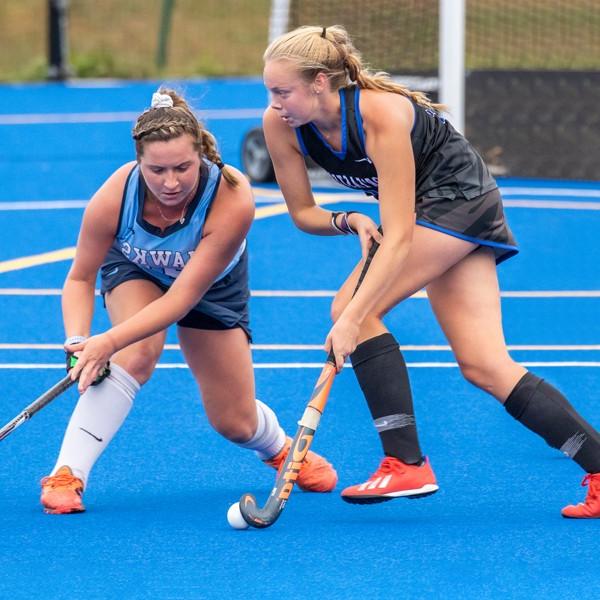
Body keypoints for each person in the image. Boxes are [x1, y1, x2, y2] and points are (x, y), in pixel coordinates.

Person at [260, 25, 600, 518]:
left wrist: (354, 317)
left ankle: (405, 462)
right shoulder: (281, 125)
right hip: (433, 214)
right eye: (270, 91)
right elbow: (302, 214)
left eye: (282, 91)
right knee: (485, 364)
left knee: (350, 308)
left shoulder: (378, 114)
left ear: (319, 82)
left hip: (458, 202)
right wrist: (348, 218)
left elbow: (398, 237)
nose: (275, 103)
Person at [39, 88, 337, 515]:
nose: (171, 182)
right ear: (138, 162)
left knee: (234, 422)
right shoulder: (113, 197)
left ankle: (281, 449)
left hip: (209, 285)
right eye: (156, 170)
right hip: (135, 268)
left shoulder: (232, 198)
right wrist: (77, 341)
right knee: (136, 352)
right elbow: (80, 277)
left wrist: (106, 343)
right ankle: (67, 474)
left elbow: (180, 300)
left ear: (201, 154)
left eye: (183, 167)